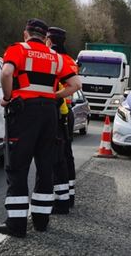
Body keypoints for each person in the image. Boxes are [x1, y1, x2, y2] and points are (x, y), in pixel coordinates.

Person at [0, 19, 81, 238]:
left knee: (17, 168)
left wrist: (7, 97)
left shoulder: (18, 49)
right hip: (49, 114)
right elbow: (76, 85)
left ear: (26, 34)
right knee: (45, 167)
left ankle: (16, 225)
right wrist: (53, 96)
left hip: (24, 113)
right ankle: (41, 222)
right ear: (45, 37)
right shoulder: (56, 57)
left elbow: (6, 73)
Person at [46, 27, 78, 210]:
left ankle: (59, 199)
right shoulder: (69, 60)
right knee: (67, 155)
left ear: (49, 40)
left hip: (57, 110)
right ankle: (68, 195)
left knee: (55, 158)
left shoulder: (53, 59)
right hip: (68, 111)